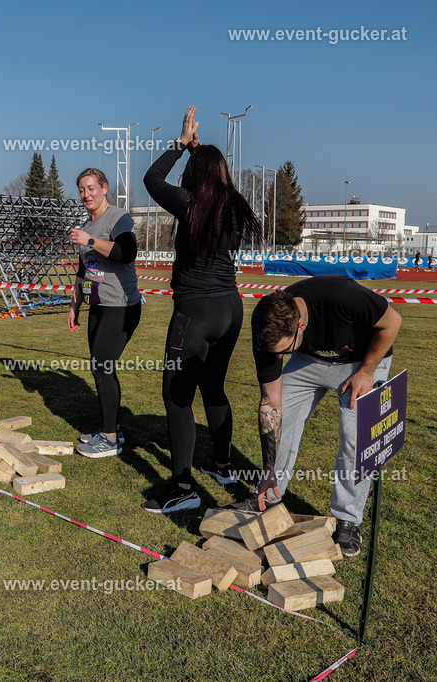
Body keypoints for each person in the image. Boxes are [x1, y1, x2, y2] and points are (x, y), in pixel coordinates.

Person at [140, 105, 263, 513]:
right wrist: (198, 151)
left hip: (195, 312)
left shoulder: (191, 203)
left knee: (176, 398)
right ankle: (223, 464)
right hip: (231, 308)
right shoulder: (234, 205)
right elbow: (212, 178)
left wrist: (179, 144)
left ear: (196, 176)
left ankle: (182, 487)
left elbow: (151, 178)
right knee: (213, 387)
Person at [245, 275, 401, 557]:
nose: (277, 358)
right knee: (284, 417)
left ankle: (348, 519)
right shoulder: (269, 335)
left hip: (362, 359)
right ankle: (270, 494)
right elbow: (271, 404)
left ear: (300, 325)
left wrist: (366, 372)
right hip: (310, 360)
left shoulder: (342, 296)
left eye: (283, 351)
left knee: (354, 437)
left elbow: (392, 322)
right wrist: (269, 467)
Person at [67, 168, 141, 458]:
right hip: (97, 304)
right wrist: (76, 303)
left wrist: (89, 240)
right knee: (99, 367)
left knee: (103, 368)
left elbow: (127, 252)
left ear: (104, 188)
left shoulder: (117, 217)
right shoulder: (87, 223)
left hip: (120, 306)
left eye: (91, 188)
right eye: (82, 190)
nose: (86, 194)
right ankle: (111, 428)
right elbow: (85, 268)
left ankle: (110, 439)